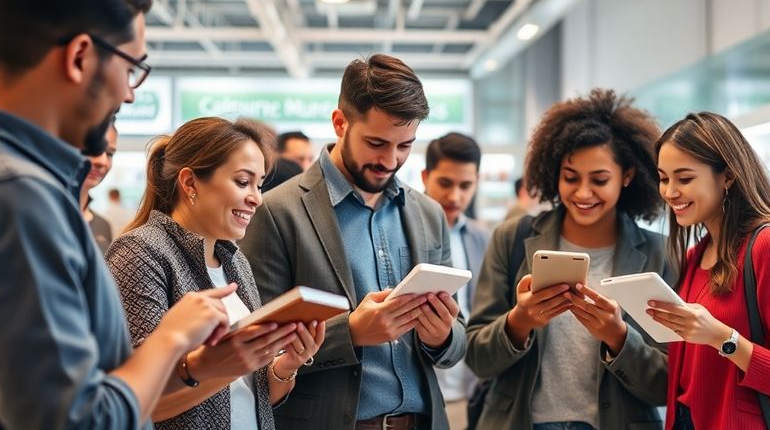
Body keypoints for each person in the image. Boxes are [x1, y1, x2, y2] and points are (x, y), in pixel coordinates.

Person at [0, 0, 234, 428]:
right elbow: (77, 420)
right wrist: (170, 338)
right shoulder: (13, 199)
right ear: (80, 57)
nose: (128, 96)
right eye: (130, 68)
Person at [238, 54, 466, 430]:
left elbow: (459, 343)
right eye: (376, 142)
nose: (390, 160)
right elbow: (258, 346)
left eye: (405, 146)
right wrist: (352, 332)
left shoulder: (428, 214)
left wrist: (442, 336)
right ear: (340, 123)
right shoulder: (277, 212)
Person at [466, 89, 673, 430]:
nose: (582, 193)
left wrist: (618, 337)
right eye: (570, 177)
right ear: (553, 173)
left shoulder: (660, 254)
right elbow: (476, 357)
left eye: (599, 180)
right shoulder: (513, 238)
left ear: (628, 176)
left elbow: (666, 383)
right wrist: (519, 321)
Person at [107, 117, 326, 429]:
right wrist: (228, 364)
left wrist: (286, 365)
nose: (257, 198)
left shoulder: (236, 263)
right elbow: (139, 401)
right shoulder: (141, 252)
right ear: (190, 183)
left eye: (260, 184)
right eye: (242, 182)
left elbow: (256, 398)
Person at [650, 112, 770, 430]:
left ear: (727, 176)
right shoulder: (695, 254)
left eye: (684, 179)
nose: (670, 192)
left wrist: (721, 337)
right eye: (663, 178)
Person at [420, 132, 491, 429]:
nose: (455, 197)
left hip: (471, 390)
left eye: (466, 185)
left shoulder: (483, 238)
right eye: (445, 183)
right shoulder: (406, 230)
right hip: (423, 390)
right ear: (425, 176)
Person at [81, 124, 118, 253]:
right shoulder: (46, 215)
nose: (101, 161)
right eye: (93, 149)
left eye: (109, 154)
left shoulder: (103, 225)